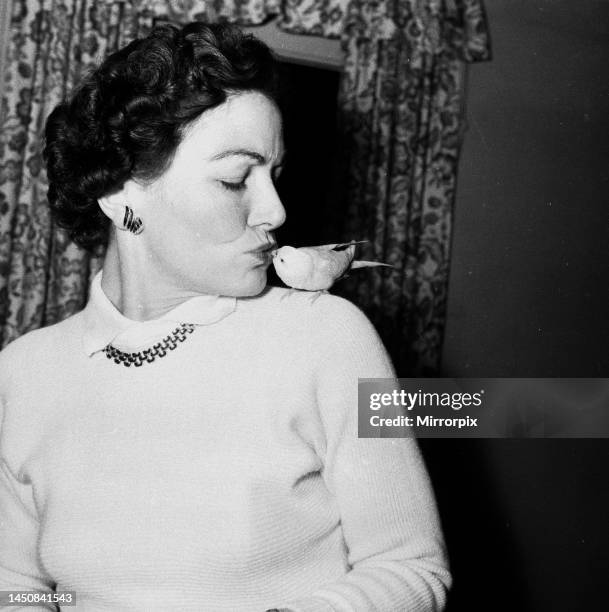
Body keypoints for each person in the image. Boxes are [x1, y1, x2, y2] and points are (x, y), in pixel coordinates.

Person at [0, 22, 451, 611]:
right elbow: (17, 586)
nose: (275, 209)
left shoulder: (329, 335)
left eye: (275, 174)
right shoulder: (22, 372)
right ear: (120, 195)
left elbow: (410, 568)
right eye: (236, 178)